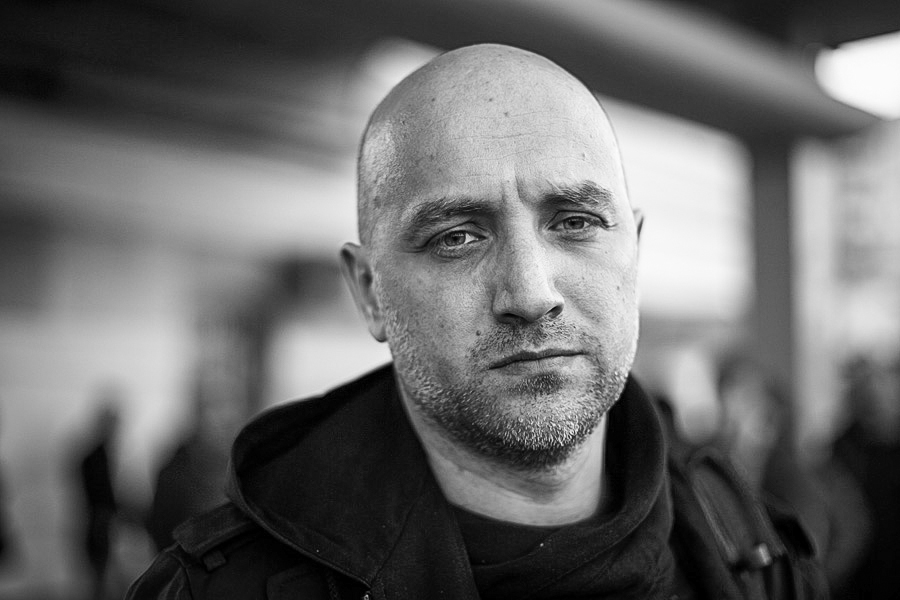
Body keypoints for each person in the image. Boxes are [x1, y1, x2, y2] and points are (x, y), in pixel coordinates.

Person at [126, 44, 826, 599]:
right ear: (370, 292)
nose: (531, 293)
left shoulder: (750, 544)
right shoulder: (216, 590)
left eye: (575, 222)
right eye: (456, 237)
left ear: (634, 252)